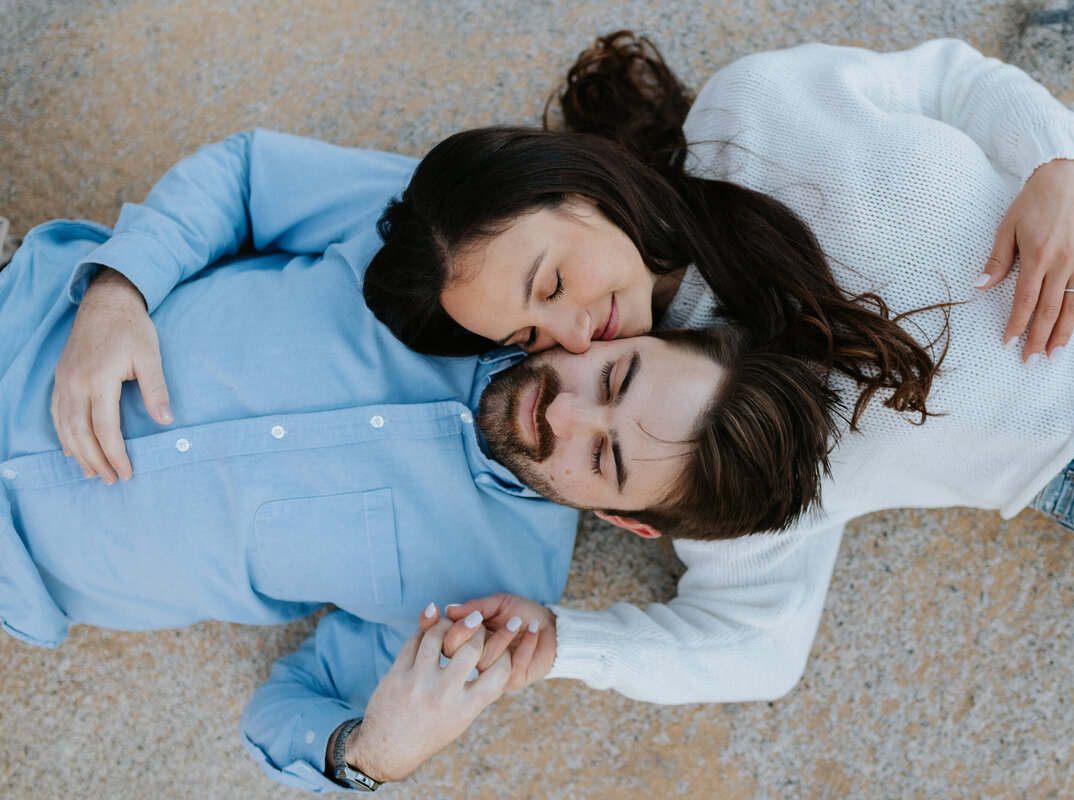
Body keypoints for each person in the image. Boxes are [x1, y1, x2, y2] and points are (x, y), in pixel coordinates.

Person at [360, 31, 1074, 714]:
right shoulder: (689, 429)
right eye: (529, 334)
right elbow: (753, 647)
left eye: (550, 283)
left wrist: (1059, 165)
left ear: (572, 183)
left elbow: (950, 80)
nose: (575, 333)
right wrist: (568, 644)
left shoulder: (751, 110)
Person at [0, 130, 824, 791]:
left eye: (603, 456)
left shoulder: (483, 600)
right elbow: (249, 177)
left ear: (620, 520)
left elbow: (286, 711)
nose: (566, 409)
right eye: (614, 375)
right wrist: (119, 290)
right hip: (23, 314)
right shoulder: (468, 255)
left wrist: (373, 752)